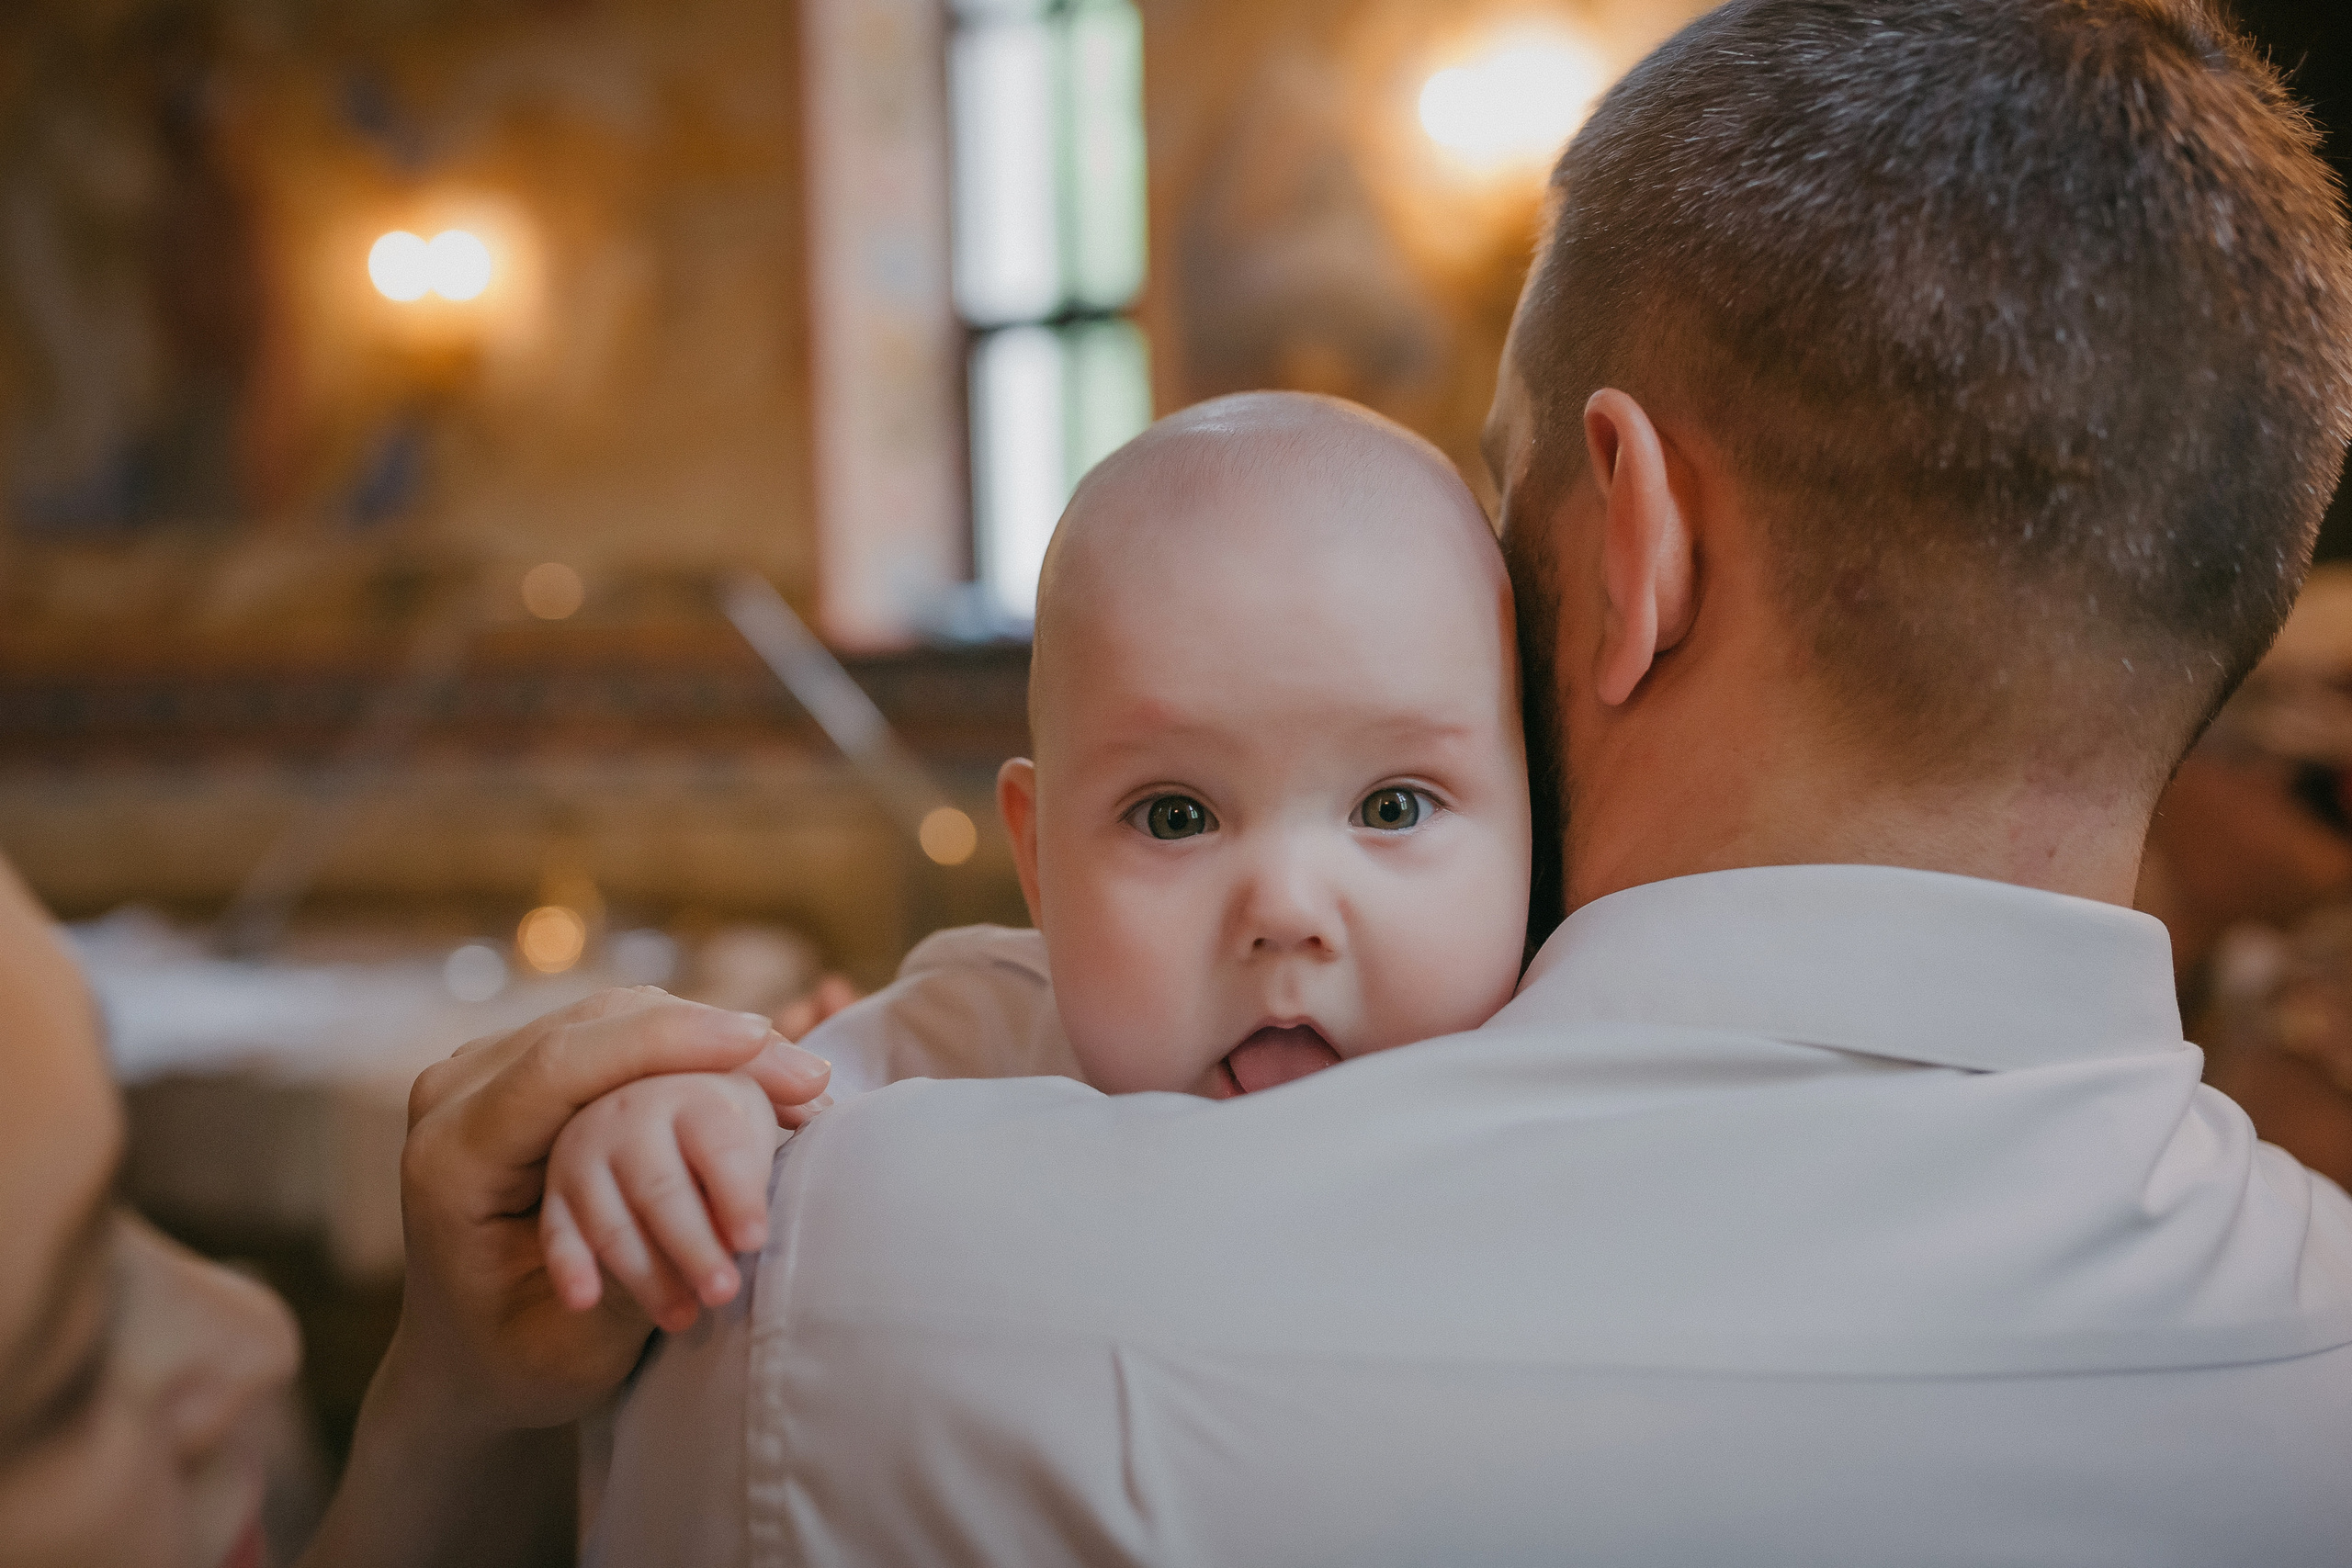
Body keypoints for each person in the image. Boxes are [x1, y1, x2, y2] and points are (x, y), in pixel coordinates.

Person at [319, 0, 2352, 1562]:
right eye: (1177, 811)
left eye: (1509, 489)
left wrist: (434, 1408)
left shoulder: (834, 1294)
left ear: (1627, 541)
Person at [531, 392, 1534, 1334]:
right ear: (1039, 861)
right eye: (1175, 816)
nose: (1284, 908)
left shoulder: (1573, 1053)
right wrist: (700, 1120)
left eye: (1392, 807)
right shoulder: (974, 1035)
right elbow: (799, 1098)